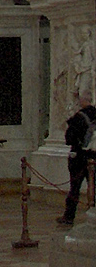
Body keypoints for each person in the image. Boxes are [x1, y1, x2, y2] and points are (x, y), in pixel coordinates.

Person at [59, 93, 96, 224]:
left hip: (79, 157)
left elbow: (69, 138)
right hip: (94, 156)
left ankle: (69, 216)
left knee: (75, 187)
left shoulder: (78, 117)